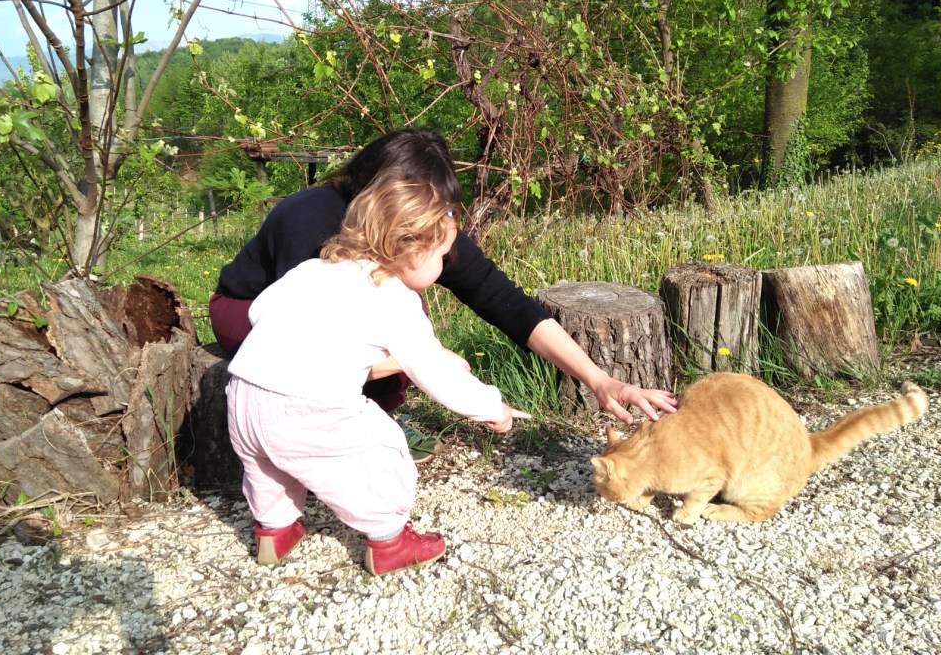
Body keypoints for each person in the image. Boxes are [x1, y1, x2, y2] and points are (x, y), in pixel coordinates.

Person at [210, 127, 676, 428]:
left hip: (318, 333)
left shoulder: (426, 229)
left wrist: (600, 381)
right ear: (384, 201)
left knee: (405, 319)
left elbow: (505, 302)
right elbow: (303, 343)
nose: (441, 226)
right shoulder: (309, 218)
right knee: (402, 332)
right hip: (251, 315)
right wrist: (424, 363)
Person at [226, 174, 531, 574]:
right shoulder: (392, 296)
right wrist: (492, 406)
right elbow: (436, 372)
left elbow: (257, 313)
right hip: (307, 408)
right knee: (379, 448)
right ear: (411, 251)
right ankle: (389, 540)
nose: (445, 265)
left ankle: (274, 530)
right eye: (442, 255)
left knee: (266, 468)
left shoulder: (312, 269)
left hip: (243, 396)